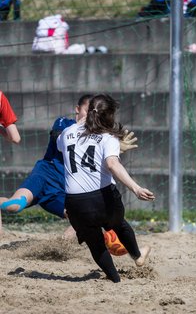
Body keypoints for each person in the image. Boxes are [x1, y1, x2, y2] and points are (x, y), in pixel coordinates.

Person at [0, 94, 138, 236]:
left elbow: (101, 162)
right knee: (14, 206)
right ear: (77, 109)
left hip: (65, 188)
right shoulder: (63, 123)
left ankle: (60, 247)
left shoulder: (99, 137)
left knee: (83, 217)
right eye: (88, 110)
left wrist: (115, 149)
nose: (91, 115)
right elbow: (59, 138)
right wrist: (80, 127)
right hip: (45, 176)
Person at [57, 93, 155, 283]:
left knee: (95, 244)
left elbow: (69, 145)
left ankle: (115, 280)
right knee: (119, 225)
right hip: (102, 199)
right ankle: (137, 255)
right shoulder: (108, 137)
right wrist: (136, 188)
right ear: (109, 116)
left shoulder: (66, 133)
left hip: (74, 203)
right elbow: (111, 164)